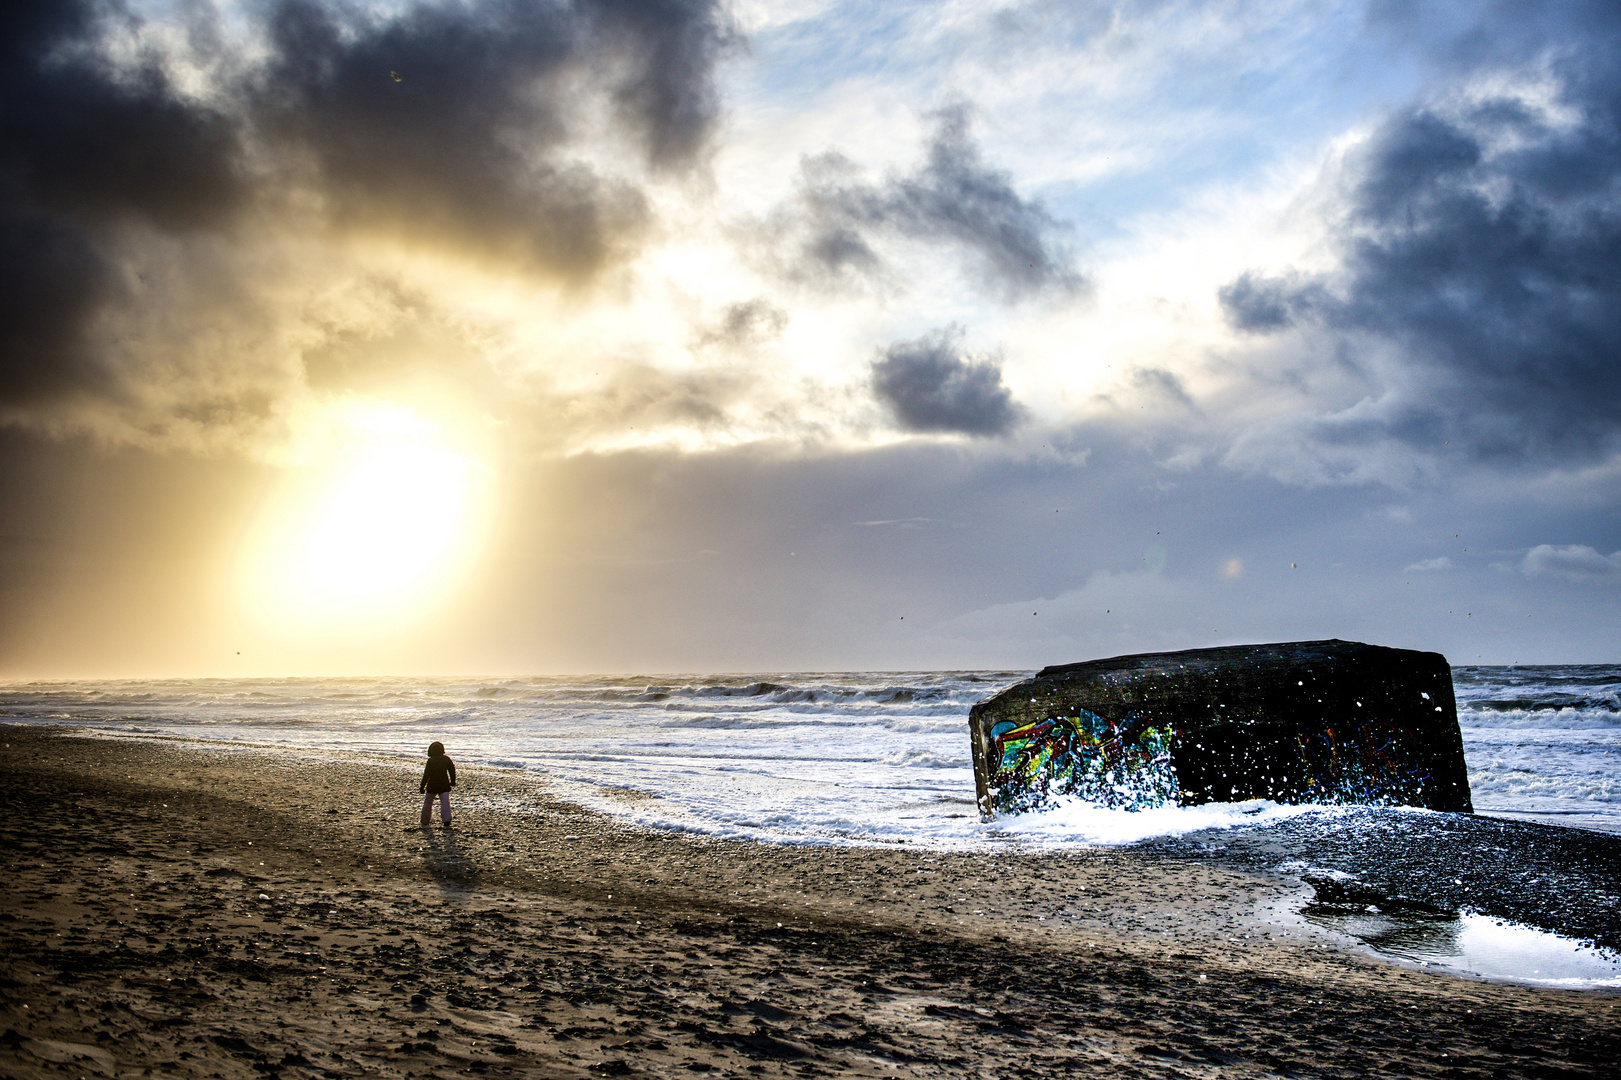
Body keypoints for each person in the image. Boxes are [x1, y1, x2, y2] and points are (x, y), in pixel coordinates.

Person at [419, 741, 456, 827]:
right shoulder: (446, 759)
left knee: (428, 802)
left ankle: (425, 820)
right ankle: (446, 820)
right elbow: (452, 771)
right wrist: (453, 781)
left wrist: (422, 786)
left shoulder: (431, 761)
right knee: (445, 802)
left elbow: (426, 775)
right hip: (444, 784)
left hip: (432, 784)